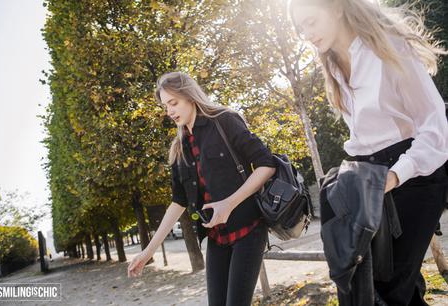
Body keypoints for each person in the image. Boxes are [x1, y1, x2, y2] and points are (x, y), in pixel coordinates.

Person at [289, 0, 448, 305]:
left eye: (311, 22)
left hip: (414, 175)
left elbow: (434, 122)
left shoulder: (388, 46)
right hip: (368, 179)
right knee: (369, 290)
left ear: (336, 8)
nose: (306, 34)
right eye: (300, 28)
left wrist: (396, 174)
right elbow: (363, 136)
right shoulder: (333, 64)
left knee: (387, 292)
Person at [127, 72, 276, 306]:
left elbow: (266, 165)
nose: (169, 111)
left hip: (249, 229)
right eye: (165, 106)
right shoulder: (179, 148)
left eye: (173, 103)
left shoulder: (225, 120)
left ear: (190, 96)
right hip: (216, 238)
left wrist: (229, 203)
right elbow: (178, 202)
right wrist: (147, 253)